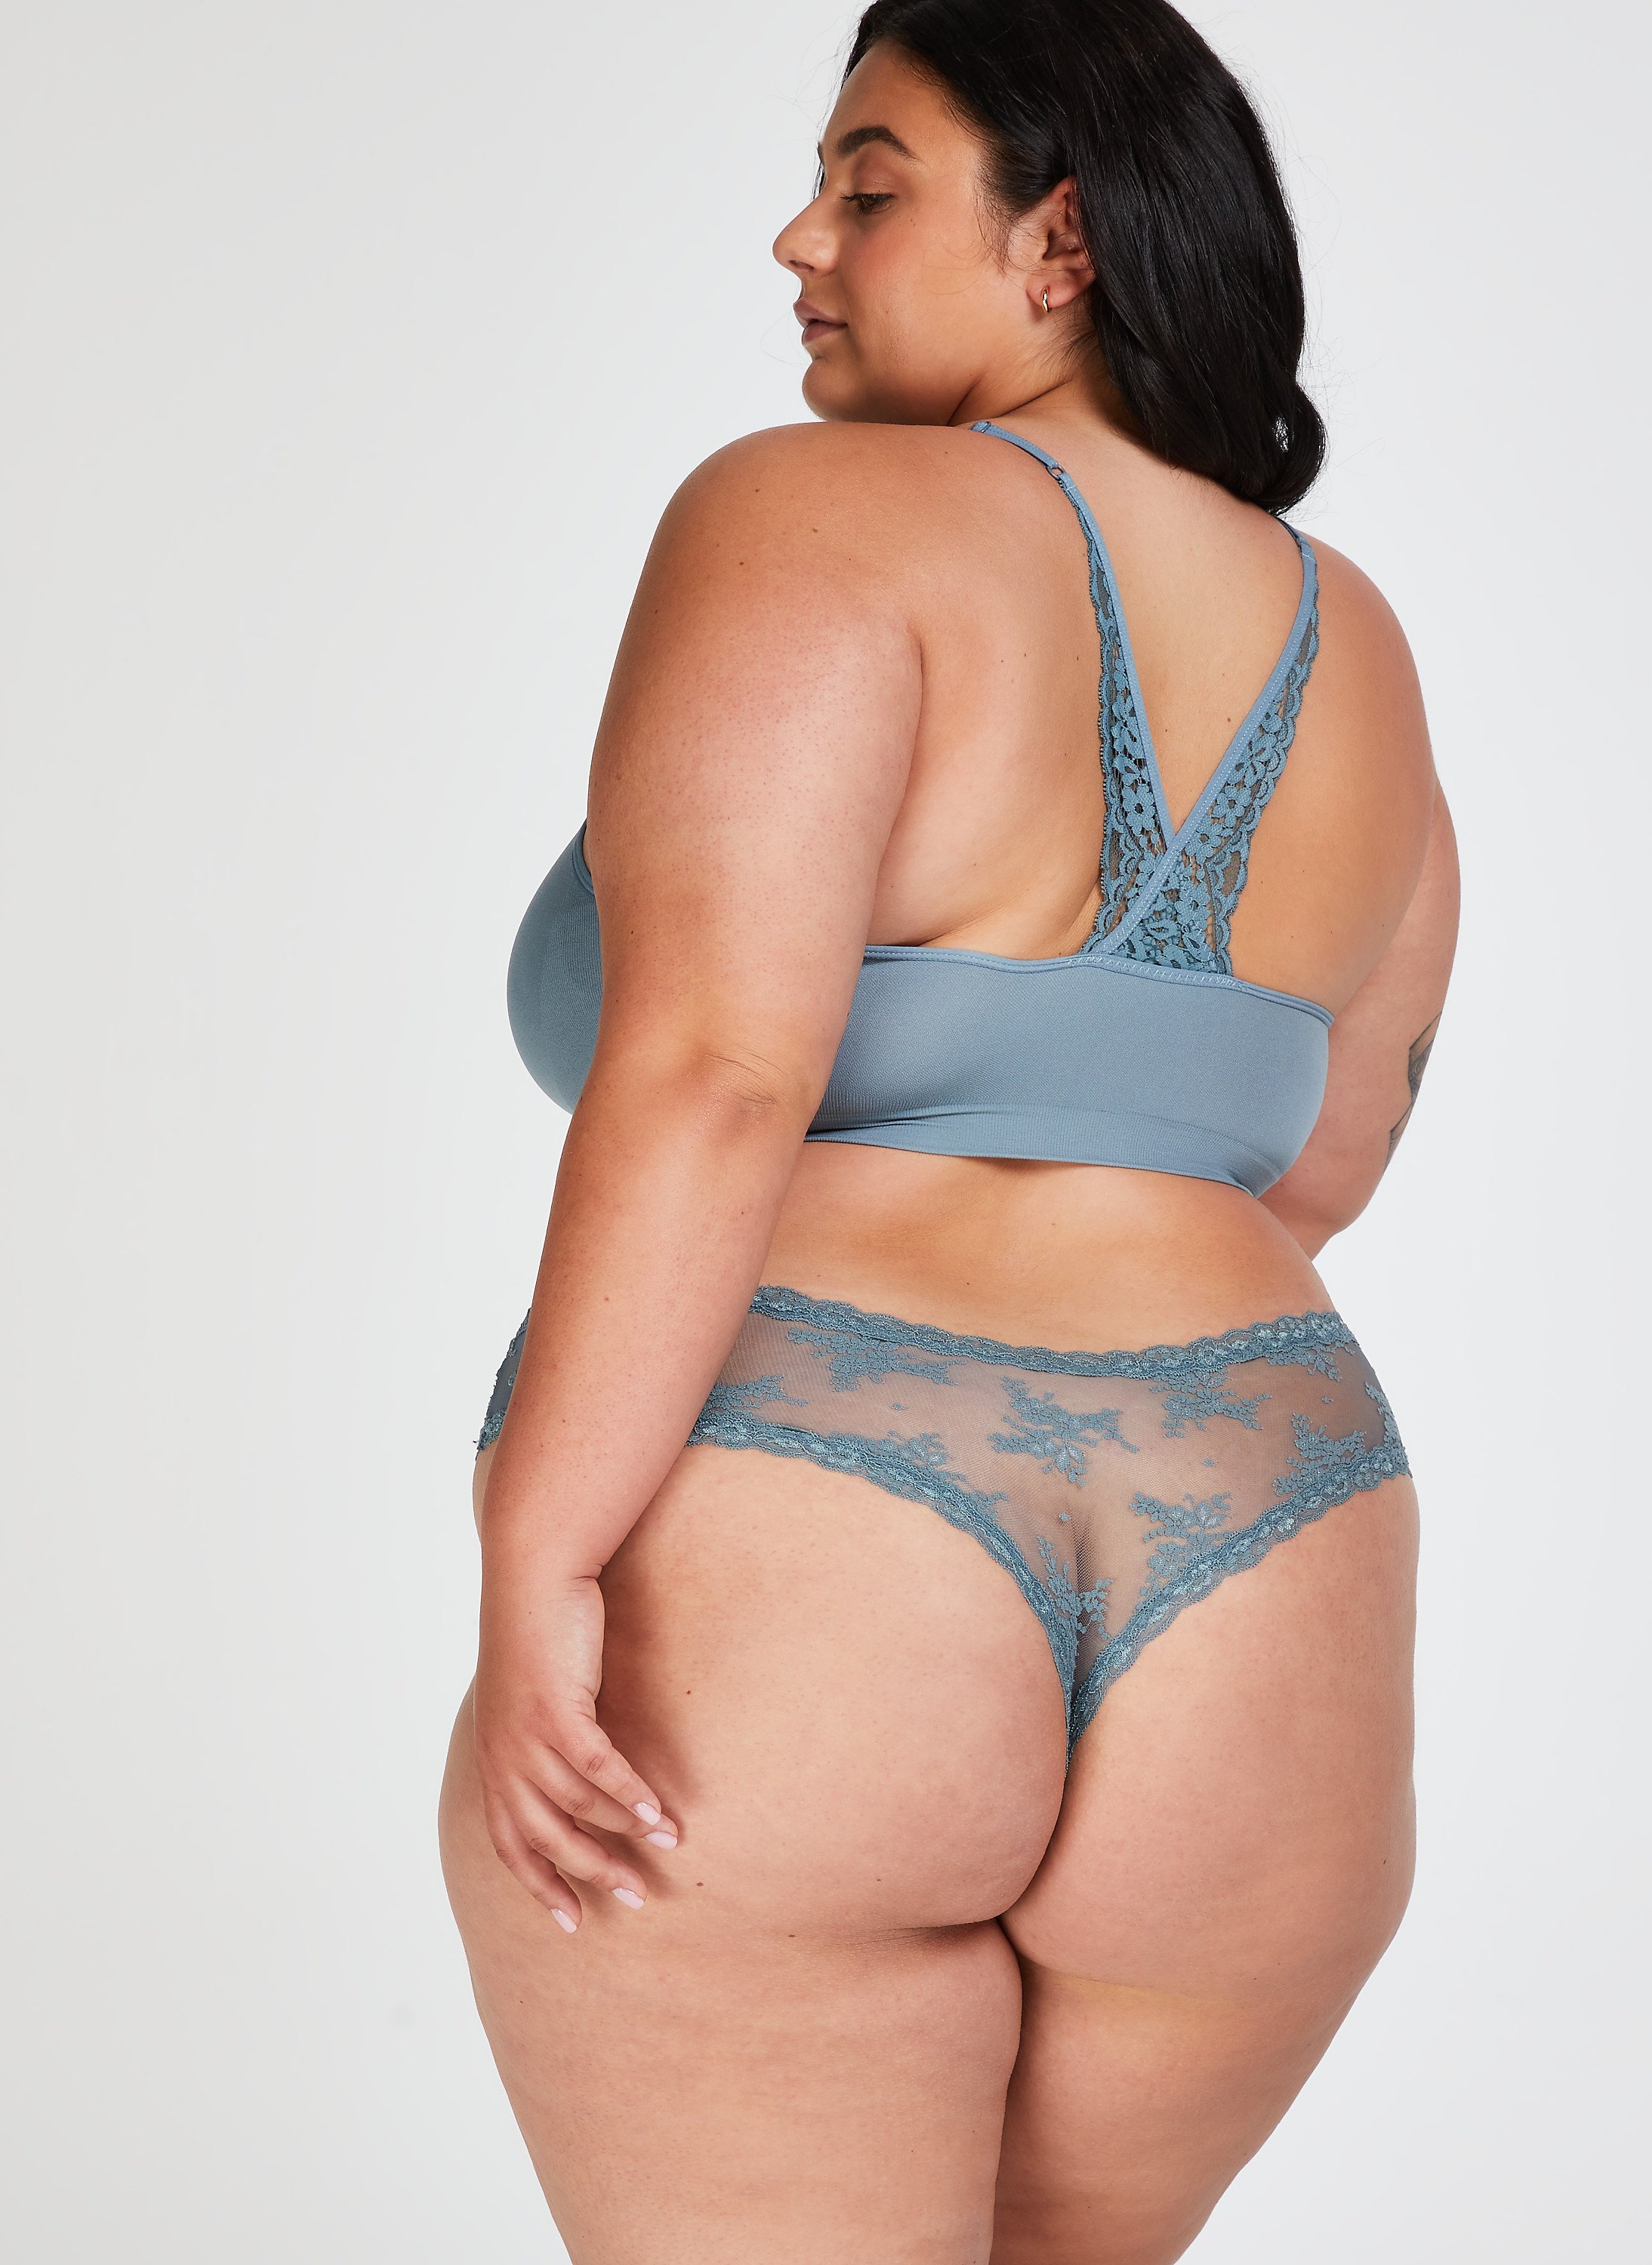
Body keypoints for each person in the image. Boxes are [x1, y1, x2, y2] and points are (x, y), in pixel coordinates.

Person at [439, 2, 1458, 2256]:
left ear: (1059, 242)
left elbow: (715, 1073)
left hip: (819, 1527)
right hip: (1270, 1534)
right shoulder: (1356, 640)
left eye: (870, 184)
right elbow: (1321, 1156)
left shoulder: (809, 516)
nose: (798, 238)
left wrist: (543, 1551)